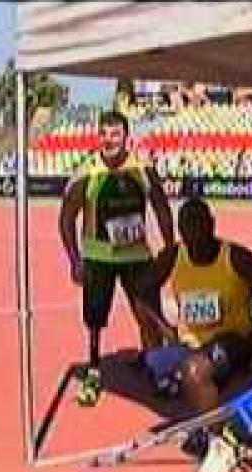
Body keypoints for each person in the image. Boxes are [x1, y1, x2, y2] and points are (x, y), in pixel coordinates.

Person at [136, 198, 252, 472]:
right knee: (153, 364)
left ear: (212, 225)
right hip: (192, 343)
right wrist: (166, 330)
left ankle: (222, 442)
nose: (194, 236)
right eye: (187, 229)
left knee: (193, 371)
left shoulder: (234, 258)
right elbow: (143, 292)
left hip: (233, 342)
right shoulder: (174, 256)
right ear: (181, 232)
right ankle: (206, 414)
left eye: (199, 226)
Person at [59, 109, 176, 406]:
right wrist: (74, 259)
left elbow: (161, 206)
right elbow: (66, 216)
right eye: (104, 134)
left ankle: (157, 368)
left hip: (137, 256)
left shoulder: (142, 169)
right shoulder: (88, 171)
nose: (109, 140)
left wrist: (169, 246)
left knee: (148, 313)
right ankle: (95, 370)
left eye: (115, 134)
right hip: (99, 258)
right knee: (95, 319)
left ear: (126, 137)